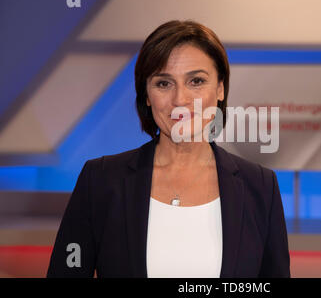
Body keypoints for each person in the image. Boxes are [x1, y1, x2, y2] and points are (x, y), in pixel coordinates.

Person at [47, 20, 290, 278]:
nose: (180, 99)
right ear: (147, 96)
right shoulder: (101, 180)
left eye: (196, 81)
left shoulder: (260, 186)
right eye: (164, 83)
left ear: (220, 88)